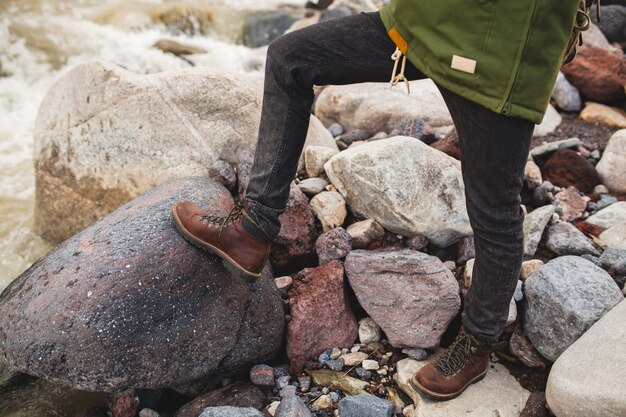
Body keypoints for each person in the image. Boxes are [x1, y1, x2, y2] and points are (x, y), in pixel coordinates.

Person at [171, 0, 589, 400]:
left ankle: (477, 342)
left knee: (494, 211)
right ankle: (253, 228)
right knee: (290, 58)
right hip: (428, 23)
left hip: (500, 56)